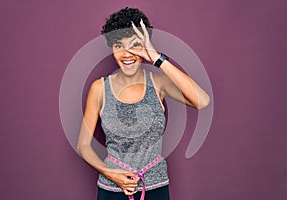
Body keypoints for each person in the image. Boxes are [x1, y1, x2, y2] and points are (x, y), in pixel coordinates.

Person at [77, 7, 210, 200]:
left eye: (135, 45)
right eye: (118, 45)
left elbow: (202, 100)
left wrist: (156, 57)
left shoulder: (159, 83)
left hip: (156, 187)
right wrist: (110, 173)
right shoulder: (100, 88)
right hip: (112, 190)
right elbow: (83, 145)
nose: (127, 53)